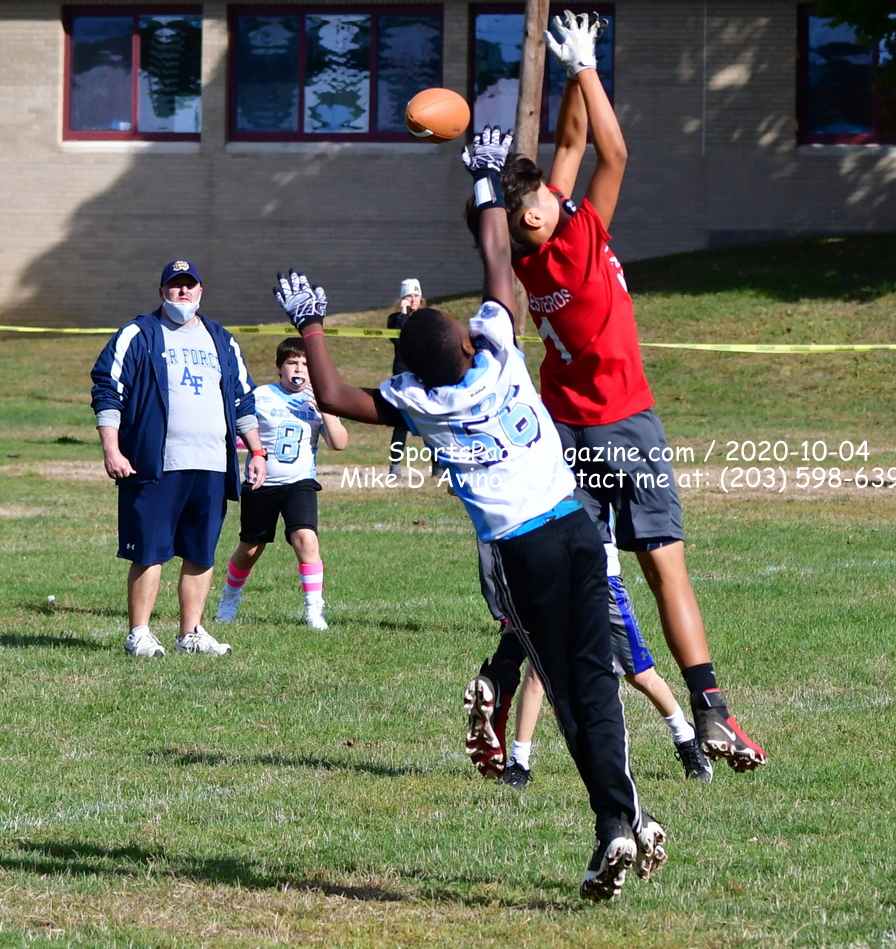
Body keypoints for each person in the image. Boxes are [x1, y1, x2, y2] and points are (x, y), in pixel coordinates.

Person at [271, 127, 666, 901]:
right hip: (575, 526)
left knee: (565, 689)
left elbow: (334, 396)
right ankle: (624, 815)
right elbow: (495, 258)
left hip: (524, 551)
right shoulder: (500, 354)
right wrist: (484, 177)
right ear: (462, 341)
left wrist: (312, 323)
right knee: (595, 679)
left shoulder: (418, 401)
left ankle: (616, 821)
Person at [465, 11, 766, 772]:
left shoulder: (526, 256)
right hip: (623, 423)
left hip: (562, 430)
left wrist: (569, 78)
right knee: (665, 567)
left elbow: (568, 148)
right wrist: (588, 68)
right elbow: (610, 149)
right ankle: (710, 706)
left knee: (565, 568)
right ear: (537, 213)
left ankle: (502, 670)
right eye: (544, 197)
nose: (556, 192)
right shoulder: (577, 237)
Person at [91, 259, 266, 658]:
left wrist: (256, 451)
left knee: (200, 552)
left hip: (211, 463)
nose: (183, 292)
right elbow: (107, 389)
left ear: (201, 291)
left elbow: (243, 399)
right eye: (175, 285)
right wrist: (112, 448)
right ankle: (139, 633)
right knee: (149, 551)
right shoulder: (139, 334)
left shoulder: (222, 339)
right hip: (156, 463)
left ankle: (191, 633)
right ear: (162, 292)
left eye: (190, 285)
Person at [499, 537, 712, 790]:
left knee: (640, 675)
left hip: (603, 579)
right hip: (556, 579)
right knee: (538, 673)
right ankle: (519, 762)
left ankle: (685, 737)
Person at [214, 337, 348, 629]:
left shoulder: (320, 399)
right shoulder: (261, 395)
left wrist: (325, 411)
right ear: (279, 367)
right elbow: (236, 426)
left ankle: (314, 609)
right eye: (292, 363)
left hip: (299, 482)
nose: (298, 368)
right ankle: (230, 597)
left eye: (305, 364)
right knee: (251, 547)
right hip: (261, 483)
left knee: (306, 538)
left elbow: (339, 443)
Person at [386, 278, 424, 476]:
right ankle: (395, 467)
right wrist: (403, 312)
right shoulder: (395, 318)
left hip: (423, 375)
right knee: (401, 423)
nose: (413, 299)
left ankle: (437, 467)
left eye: (416, 295)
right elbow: (396, 337)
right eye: (409, 295)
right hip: (402, 375)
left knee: (429, 421)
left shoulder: (426, 318)